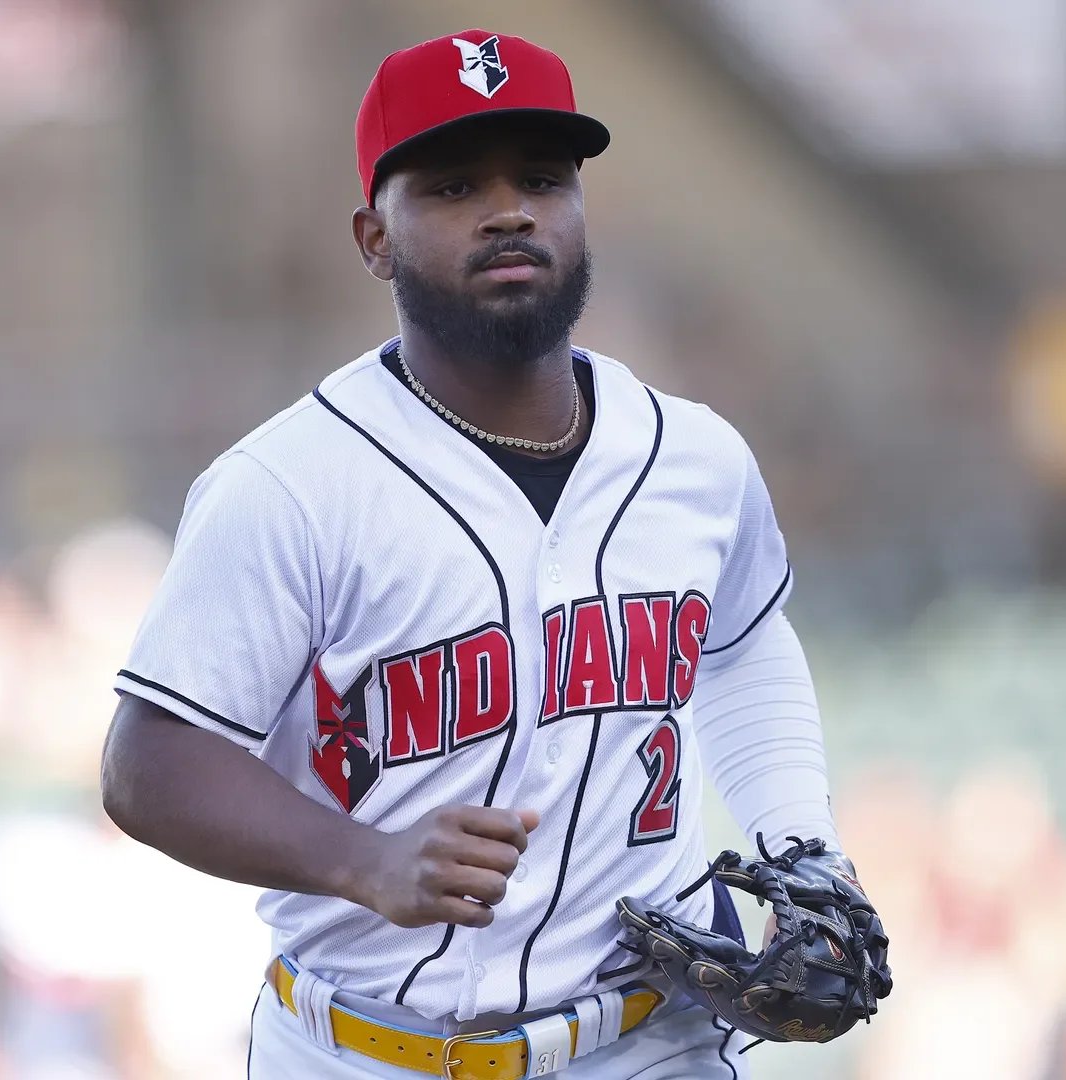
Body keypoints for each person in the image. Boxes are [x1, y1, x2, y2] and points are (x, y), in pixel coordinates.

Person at [102, 29, 856, 1079]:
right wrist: (363, 861)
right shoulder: (288, 484)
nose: (509, 212)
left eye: (542, 179)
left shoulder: (696, 458)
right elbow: (149, 765)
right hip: (370, 1052)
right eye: (454, 187)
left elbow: (741, 650)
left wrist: (803, 849)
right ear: (374, 238)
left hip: (649, 1044)